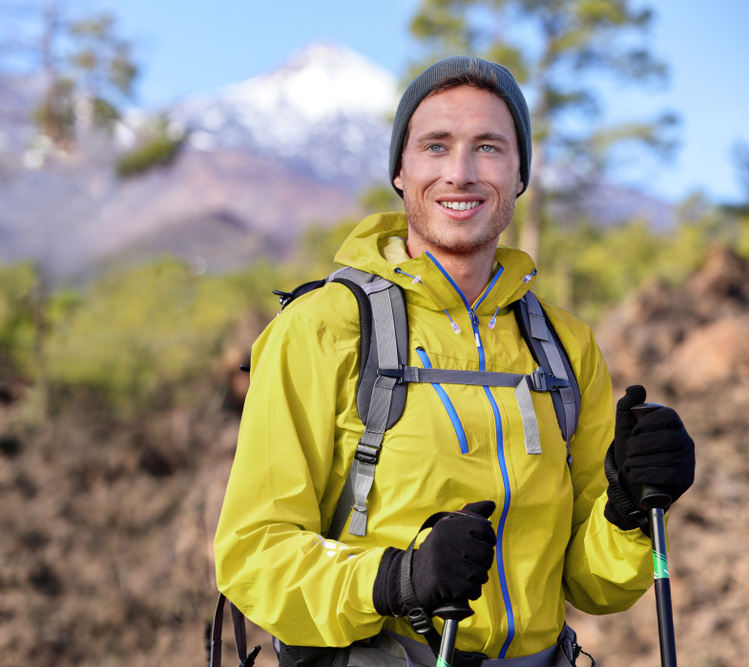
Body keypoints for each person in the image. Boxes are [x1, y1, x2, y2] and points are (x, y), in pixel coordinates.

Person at [213, 56, 696, 666]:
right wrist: (398, 579)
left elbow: (591, 585)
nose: (460, 173)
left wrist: (627, 510)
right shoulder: (321, 329)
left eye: (489, 147)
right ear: (400, 170)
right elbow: (252, 554)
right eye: (436, 147)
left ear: (520, 173)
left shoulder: (566, 347)